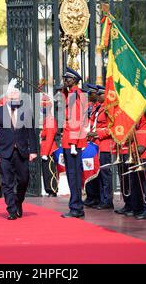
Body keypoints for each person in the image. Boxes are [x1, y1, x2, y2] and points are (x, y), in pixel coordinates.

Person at [0, 79, 37, 220]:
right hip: (4, 153)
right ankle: (11, 209)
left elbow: (31, 133)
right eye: (11, 98)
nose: (14, 100)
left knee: (23, 180)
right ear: (6, 98)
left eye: (16, 97)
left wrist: (33, 150)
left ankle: (18, 201)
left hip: (22, 152)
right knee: (7, 182)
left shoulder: (26, 111)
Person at [60, 67, 88, 218]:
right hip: (70, 140)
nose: (65, 81)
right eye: (65, 78)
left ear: (75, 80)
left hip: (73, 142)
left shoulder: (76, 94)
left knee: (74, 175)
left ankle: (76, 208)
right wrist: (63, 90)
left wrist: (72, 143)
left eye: (68, 79)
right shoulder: (72, 93)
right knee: (72, 175)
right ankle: (76, 206)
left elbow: (76, 119)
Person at [83, 83, 101, 208]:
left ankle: (98, 197)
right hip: (90, 142)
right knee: (88, 168)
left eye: (91, 93)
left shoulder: (101, 107)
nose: (89, 96)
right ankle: (91, 196)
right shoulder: (92, 107)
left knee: (97, 172)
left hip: (98, 142)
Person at [40, 93, 59, 197]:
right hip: (45, 148)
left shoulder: (50, 119)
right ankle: (49, 189)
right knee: (46, 171)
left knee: (50, 171)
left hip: (49, 149)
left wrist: (45, 153)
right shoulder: (47, 119)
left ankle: (52, 189)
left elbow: (50, 137)